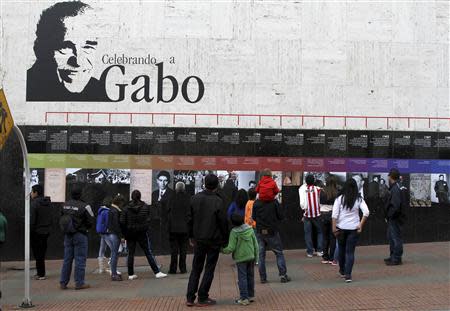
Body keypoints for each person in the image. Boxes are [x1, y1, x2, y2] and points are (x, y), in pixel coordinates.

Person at [27, 1, 110, 101]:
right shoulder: (23, 88)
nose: (78, 62)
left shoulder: (98, 91)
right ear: (42, 49)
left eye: (88, 47)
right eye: (65, 48)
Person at [186, 174, 228, 307]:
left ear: (204, 183)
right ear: (216, 185)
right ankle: (203, 296)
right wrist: (225, 239)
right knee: (209, 268)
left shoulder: (194, 198)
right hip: (213, 240)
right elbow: (223, 222)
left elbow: (189, 220)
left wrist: (191, 236)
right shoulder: (218, 201)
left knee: (196, 268)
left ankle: (190, 297)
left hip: (199, 239)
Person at [120, 190, 167, 280]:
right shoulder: (145, 206)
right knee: (148, 252)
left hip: (130, 233)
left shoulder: (126, 208)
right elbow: (148, 219)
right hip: (142, 232)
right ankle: (156, 272)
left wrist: (125, 232)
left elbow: (122, 221)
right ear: (140, 196)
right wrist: (145, 227)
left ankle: (130, 274)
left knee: (130, 253)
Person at [332, 179, 369, 283]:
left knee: (341, 250)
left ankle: (342, 270)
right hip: (353, 229)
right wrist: (360, 225)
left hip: (341, 229)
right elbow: (366, 212)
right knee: (350, 252)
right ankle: (348, 275)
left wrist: (333, 228)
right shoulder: (358, 199)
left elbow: (334, 215)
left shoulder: (339, 199)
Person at [59, 185, 95, 290]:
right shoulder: (85, 206)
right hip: (80, 235)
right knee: (80, 260)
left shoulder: (64, 205)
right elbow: (91, 220)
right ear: (80, 194)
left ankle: (63, 282)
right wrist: (85, 227)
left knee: (67, 259)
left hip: (67, 235)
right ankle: (79, 283)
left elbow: (61, 217)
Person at [222, 214, 259, 306]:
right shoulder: (250, 229)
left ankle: (244, 298)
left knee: (242, 278)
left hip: (241, 258)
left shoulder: (234, 232)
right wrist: (256, 258)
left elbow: (231, 248)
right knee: (250, 277)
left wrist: (222, 250)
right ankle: (250, 295)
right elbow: (256, 245)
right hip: (251, 256)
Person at [252, 198, 290, 283]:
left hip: (260, 231)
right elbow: (281, 216)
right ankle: (283, 275)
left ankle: (263, 278)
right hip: (272, 231)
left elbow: (253, 217)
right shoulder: (274, 202)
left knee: (261, 255)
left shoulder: (257, 203)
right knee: (279, 253)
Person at [98, 195, 124, 281]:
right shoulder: (115, 211)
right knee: (114, 254)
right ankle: (114, 273)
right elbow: (117, 225)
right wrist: (121, 236)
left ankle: (113, 273)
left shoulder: (110, 210)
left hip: (109, 233)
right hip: (115, 234)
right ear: (119, 202)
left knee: (113, 253)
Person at [30, 184, 52, 280]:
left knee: (37, 253)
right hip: (46, 231)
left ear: (36, 192)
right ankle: (40, 272)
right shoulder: (48, 203)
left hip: (36, 232)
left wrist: (31, 229)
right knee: (41, 252)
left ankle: (41, 274)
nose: (31, 194)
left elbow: (32, 219)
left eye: (32, 191)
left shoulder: (34, 204)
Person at [167, 182, 190, 274]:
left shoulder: (171, 198)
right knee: (183, 250)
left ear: (176, 188)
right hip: (184, 229)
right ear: (184, 188)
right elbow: (190, 213)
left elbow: (167, 212)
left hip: (173, 228)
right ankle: (183, 268)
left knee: (174, 250)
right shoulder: (188, 198)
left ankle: (173, 269)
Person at [299, 174, 323, 257]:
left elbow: (302, 204)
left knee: (308, 233)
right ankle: (320, 251)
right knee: (320, 232)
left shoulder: (303, 189)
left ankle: (310, 252)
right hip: (317, 214)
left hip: (307, 215)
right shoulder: (318, 189)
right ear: (314, 181)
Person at [384, 168, 405, 266]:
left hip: (395, 218)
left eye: (388, 175)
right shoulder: (396, 187)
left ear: (390, 177)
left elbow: (395, 206)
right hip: (394, 217)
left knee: (396, 238)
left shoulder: (395, 188)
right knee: (392, 237)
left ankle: (396, 258)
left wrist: (389, 215)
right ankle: (393, 256)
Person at [320, 176, 338, 264]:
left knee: (325, 237)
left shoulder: (322, 191)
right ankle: (332, 258)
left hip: (323, 214)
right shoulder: (337, 192)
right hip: (333, 215)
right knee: (333, 237)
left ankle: (325, 257)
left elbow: (320, 203)